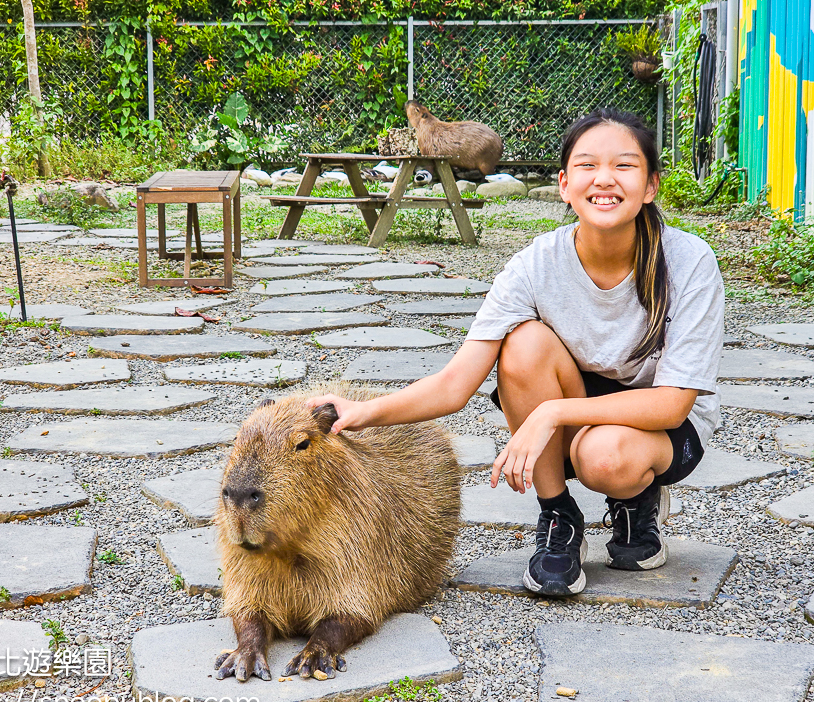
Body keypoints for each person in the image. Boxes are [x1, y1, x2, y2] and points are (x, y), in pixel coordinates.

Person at [307, 108, 724, 598]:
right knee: (523, 344)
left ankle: (637, 500)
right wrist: (367, 411)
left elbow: (673, 403)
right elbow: (455, 384)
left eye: (624, 166)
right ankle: (558, 516)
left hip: (662, 427)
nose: (605, 180)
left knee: (606, 458)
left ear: (651, 185)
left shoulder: (689, 261)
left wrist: (552, 412)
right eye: (588, 166)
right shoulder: (536, 263)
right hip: (578, 405)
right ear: (566, 185)